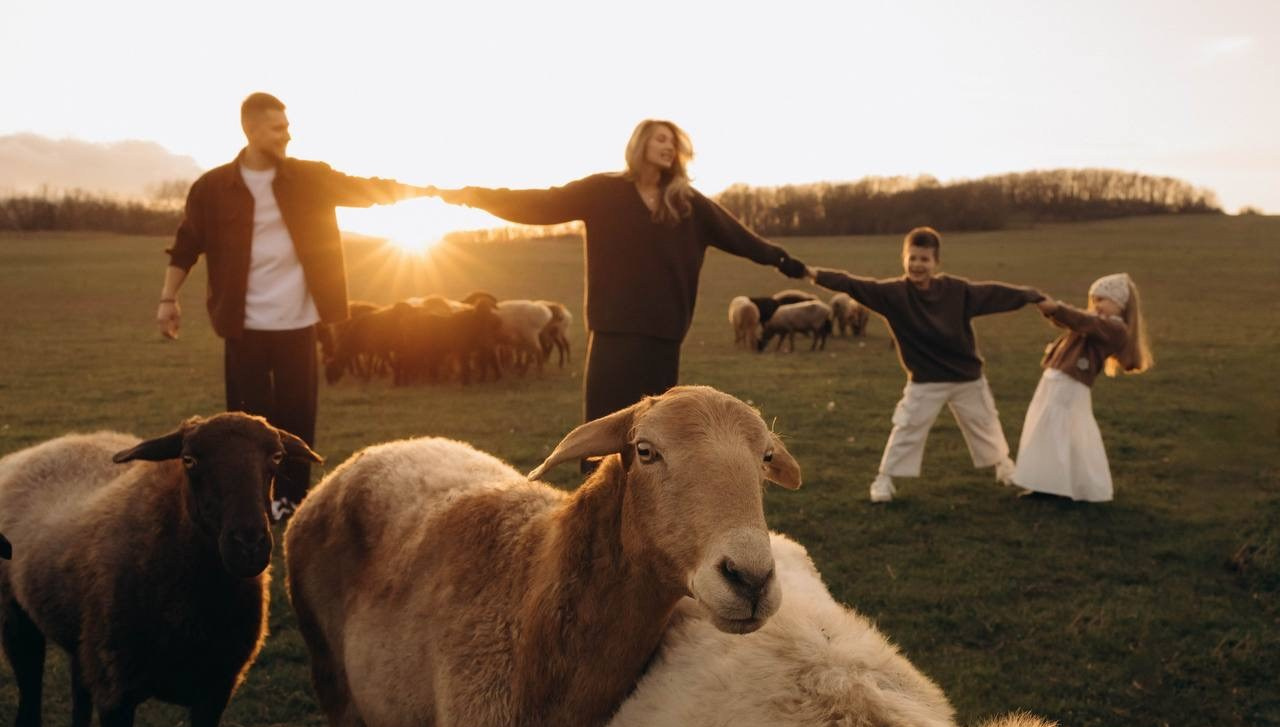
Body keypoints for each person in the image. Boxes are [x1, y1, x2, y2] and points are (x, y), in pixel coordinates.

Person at [430, 119, 808, 465]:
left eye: (673, 143)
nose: (668, 147)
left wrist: (782, 260)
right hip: (613, 329)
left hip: (663, 333)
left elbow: (739, 236)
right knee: (602, 430)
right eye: (660, 139)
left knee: (654, 437)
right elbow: (543, 202)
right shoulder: (604, 191)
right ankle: (596, 507)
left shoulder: (687, 203)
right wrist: (474, 196)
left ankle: (647, 518)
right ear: (640, 143)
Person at [158, 92, 433, 520]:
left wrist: (427, 191)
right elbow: (185, 247)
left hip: (299, 323)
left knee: (297, 419)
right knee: (247, 427)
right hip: (242, 326)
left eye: (287, 126)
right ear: (250, 130)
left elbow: (367, 190)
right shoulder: (212, 188)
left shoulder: (309, 178)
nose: (287, 135)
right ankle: (252, 502)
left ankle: (292, 503)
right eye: (277, 128)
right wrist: (167, 299)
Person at [808, 226, 1047, 502]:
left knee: (984, 422)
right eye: (912, 258)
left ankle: (1003, 466)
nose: (917, 264)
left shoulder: (956, 290)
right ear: (904, 259)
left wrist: (1031, 295)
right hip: (925, 380)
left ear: (936, 262)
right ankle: (884, 480)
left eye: (924, 259)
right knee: (907, 427)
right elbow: (853, 284)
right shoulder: (893, 294)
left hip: (967, 377)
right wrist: (814, 274)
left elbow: (993, 293)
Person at [1013, 272, 1152, 502]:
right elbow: (1073, 320)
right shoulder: (1097, 323)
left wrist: (1055, 307)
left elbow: (1081, 320)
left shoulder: (1114, 329)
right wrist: (1048, 308)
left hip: (1069, 383)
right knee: (1047, 431)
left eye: (1102, 300)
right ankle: (1046, 482)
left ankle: (1057, 485)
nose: (1096, 306)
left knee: (1059, 432)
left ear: (1120, 304)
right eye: (1093, 300)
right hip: (1056, 379)